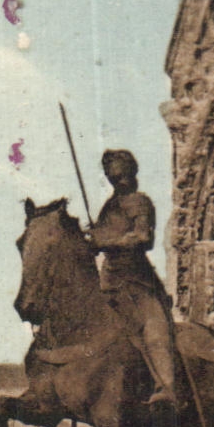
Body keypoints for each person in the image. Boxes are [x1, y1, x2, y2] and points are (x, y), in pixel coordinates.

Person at [85, 149, 179, 409]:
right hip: (108, 279)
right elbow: (100, 242)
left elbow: (143, 238)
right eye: (114, 177)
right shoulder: (108, 208)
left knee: (154, 327)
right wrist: (91, 240)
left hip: (136, 279)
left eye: (124, 175)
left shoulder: (140, 202)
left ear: (132, 174)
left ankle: (167, 387)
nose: (120, 181)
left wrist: (104, 239)